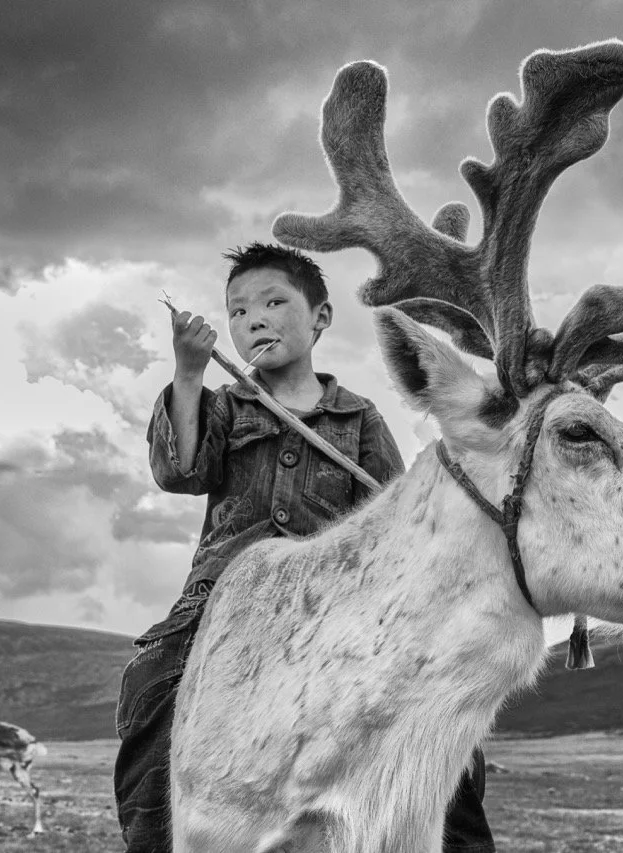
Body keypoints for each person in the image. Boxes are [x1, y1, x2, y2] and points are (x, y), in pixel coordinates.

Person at [113, 242, 496, 852]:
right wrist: (188, 373)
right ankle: (155, 835)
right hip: (223, 600)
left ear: (321, 317)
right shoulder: (223, 407)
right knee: (157, 689)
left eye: (273, 303)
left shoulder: (358, 417)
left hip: (338, 603)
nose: (253, 320)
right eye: (238, 312)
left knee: (437, 727)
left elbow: (395, 520)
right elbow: (179, 471)